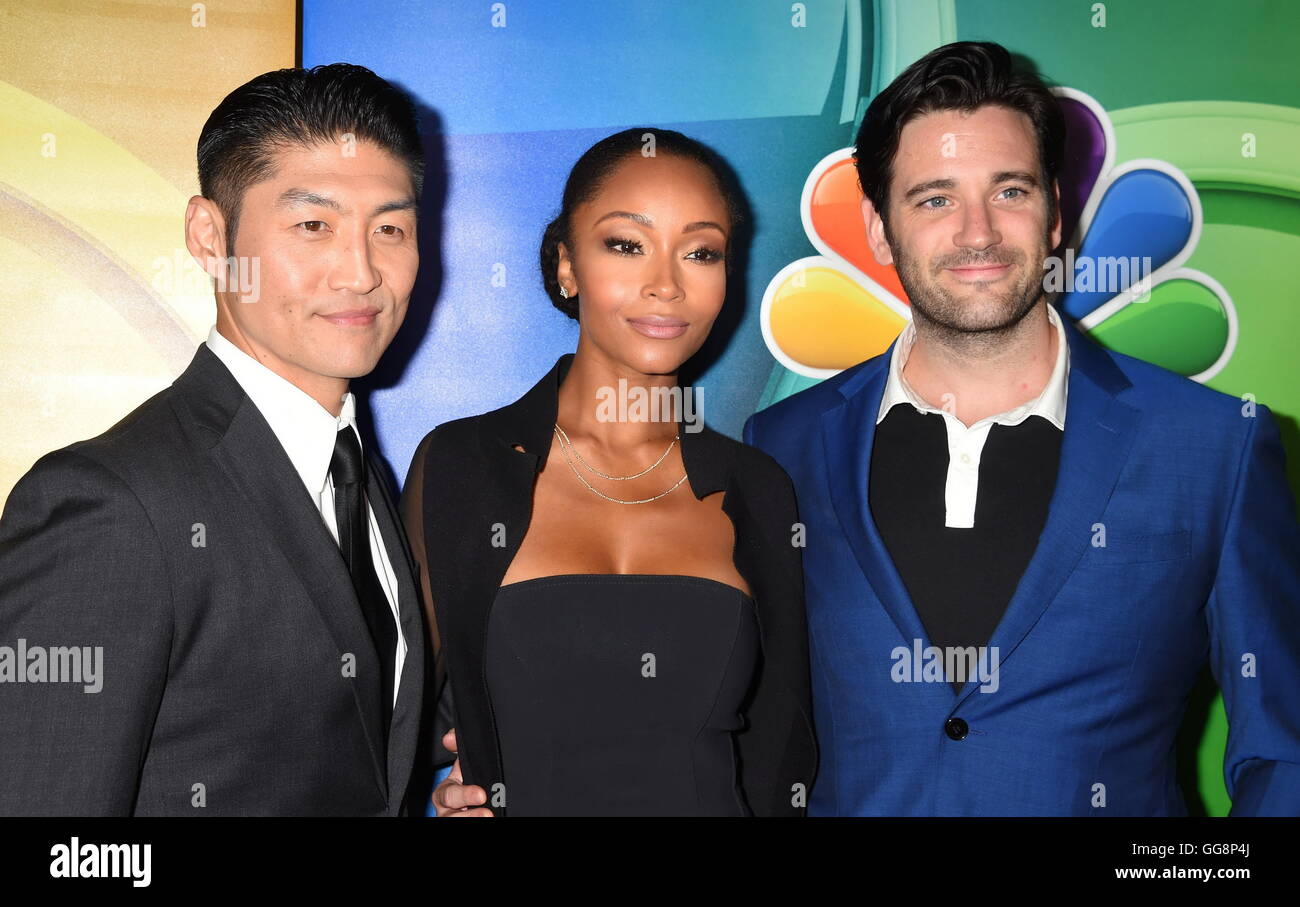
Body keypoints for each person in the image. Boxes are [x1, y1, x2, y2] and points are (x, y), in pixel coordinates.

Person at [745, 41, 1300, 815]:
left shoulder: (1213, 448)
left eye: (1009, 191)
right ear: (877, 229)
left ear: (1055, 215)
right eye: (934, 198)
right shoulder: (784, 448)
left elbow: (1285, 753)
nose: (978, 232)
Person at [0, 64, 428, 815]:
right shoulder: (111, 504)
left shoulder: (360, 473)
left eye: (389, 228)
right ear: (208, 234)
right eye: (313, 225)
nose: (362, 273)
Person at [402, 128, 817, 816]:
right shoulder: (460, 466)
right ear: (566, 265)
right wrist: (453, 787)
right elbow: (393, 723)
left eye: (701, 251)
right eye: (627, 244)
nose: (666, 284)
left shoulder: (757, 489)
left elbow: (783, 758)